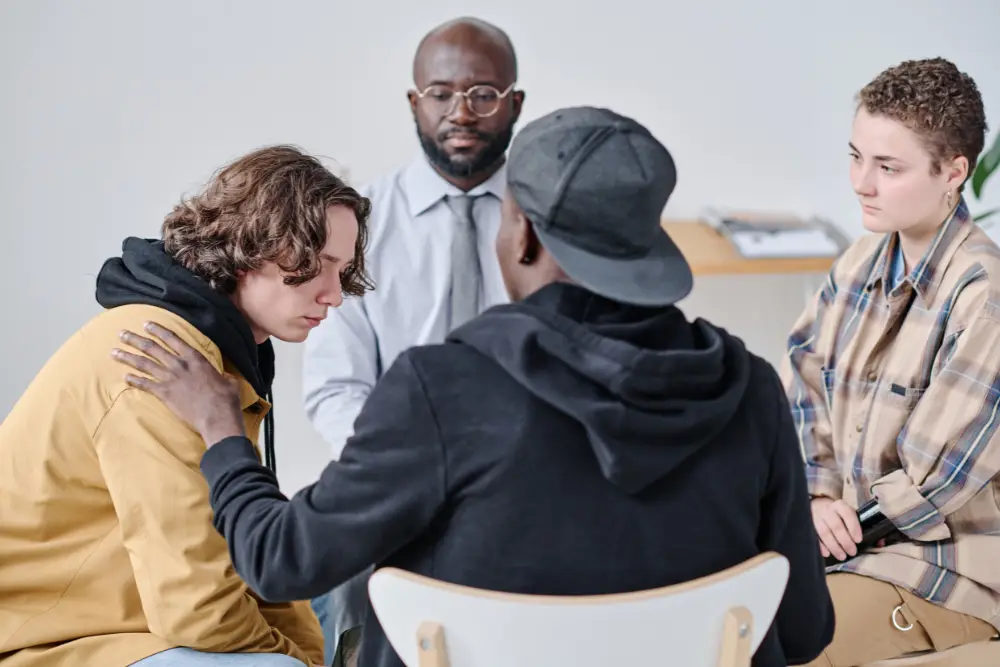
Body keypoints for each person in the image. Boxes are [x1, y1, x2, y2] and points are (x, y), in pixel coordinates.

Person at [112, 106, 834, 667]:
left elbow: (279, 559)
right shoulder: (752, 390)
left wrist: (221, 429)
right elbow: (802, 631)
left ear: (519, 234)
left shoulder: (441, 388)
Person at [0, 144, 372, 666]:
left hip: (123, 623)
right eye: (319, 265)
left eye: (344, 271)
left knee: (327, 588)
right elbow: (196, 606)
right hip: (47, 637)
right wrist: (296, 659)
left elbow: (243, 549)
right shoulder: (158, 356)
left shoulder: (219, 355)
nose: (334, 294)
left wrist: (307, 654)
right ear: (250, 245)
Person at [300, 16, 524, 665]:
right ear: (413, 101)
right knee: (339, 581)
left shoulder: (547, 220)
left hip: (526, 472)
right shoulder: (355, 224)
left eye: (483, 94)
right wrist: (406, 474)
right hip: (391, 474)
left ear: (515, 104)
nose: (462, 112)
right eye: (441, 93)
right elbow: (337, 388)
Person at [782, 57, 1000, 666]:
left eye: (888, 167)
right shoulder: (857, 263)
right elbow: (801, 380)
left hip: (946, 572)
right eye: (856, 156)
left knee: (782, 644)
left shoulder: (986, 296)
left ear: (953, 172)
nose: (861, 182)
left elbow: (935, 479)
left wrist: (835, 532)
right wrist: (818, 496)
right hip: (845, 542)